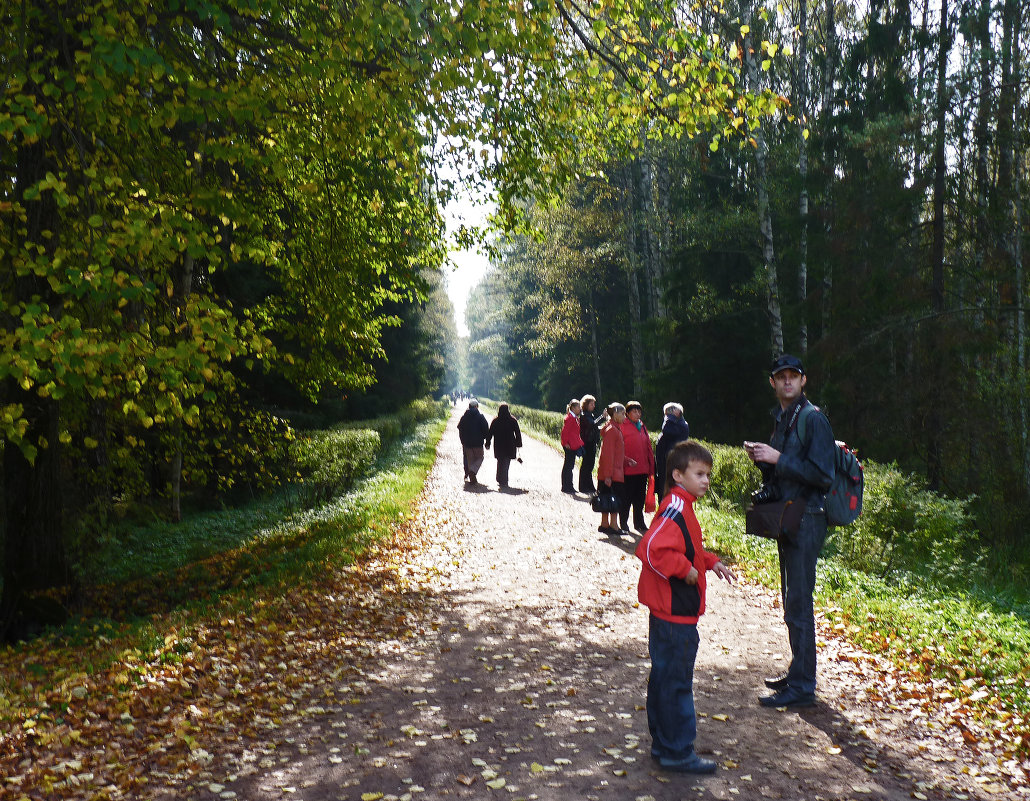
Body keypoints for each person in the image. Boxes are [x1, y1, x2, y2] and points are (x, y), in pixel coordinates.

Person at [635, 440, 736, 773]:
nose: (706, 480)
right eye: (699, 473)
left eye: (708, 474)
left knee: (664, 679)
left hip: (672, 613)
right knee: (676, 682)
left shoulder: (682, 504)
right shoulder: (676, 506)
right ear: (678, 475)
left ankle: (664, 745)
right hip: (674, 615)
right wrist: (687, 570)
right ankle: (678, 751)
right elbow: (651, 550)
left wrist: (709, 562)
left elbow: (685, 548)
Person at [744, 353, 835, 708]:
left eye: (793, 376)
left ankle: (804, 685)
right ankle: (798, 672)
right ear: (773, 383)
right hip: (788, 516)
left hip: (809, 517)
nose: (787, 382)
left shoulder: (813, 420)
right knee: (790, 600)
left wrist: (778, 458)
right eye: (781, 377)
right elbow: (785, 472)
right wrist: (764, 461)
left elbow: (823, 475)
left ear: (803, 381)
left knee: (799, 601)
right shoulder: (783, 419)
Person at [620, 400, 656, 533]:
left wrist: (650, 466)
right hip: (628, 469)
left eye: (639, 411)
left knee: (639, 499)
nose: (637, 413)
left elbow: (648, 448)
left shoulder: (642, 425)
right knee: (627, 497)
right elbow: (619, 447)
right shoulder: (622, 426)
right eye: (634, 411)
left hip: (642, 469)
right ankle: (623, 522)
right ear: (627, 413)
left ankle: (639, 522)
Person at [596, 403, 626, 535]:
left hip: (610, 471)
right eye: (623, 413)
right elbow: (608, 454)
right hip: (612, 473)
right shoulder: (613, 430)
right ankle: (613, 525)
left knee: (606, 497)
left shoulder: (612, 428)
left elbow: (615, 452)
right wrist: (608, 475)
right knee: (614, 498)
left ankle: (605, 524)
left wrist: (626, 459)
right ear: (615, 414)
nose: (625, 416)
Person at [655, 402, 690, 497]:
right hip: (667, 462)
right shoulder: (677, 424)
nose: (666, 416)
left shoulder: (678, 425)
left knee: (667, 487)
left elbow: (666, 430)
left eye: (668, 413)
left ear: (677, 412)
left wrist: (669, 419)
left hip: (670, 462)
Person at [486, 403, 523, 488]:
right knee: (506, 463)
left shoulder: (495, 421)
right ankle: (504, 480)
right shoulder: (512, 420)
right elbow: (517, 432)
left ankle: (499, 478)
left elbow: (490, 433)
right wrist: (518, 443)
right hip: (510, 444)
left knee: (500, 461)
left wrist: (488, 443)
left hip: (498, 444)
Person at [457, 399, 489, 485]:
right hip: (478, 443)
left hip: (467, 444)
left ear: (469, 406)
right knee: (480, 458)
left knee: (470, 460)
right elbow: (486, 430)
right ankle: (472, 472)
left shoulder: (464, 417)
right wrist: (487, 441)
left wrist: (463, 440)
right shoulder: (481, 417)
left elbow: (460, 428)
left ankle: (470, 475)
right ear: (476, 406)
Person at [578, 394, 604, 493]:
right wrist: (602, 416)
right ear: (586, 404)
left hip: (591, 442)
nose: (593, 406)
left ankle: (588, 486)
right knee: (586, 465)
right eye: (592, 404)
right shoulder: (584, 415)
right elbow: (592, 424)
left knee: (590, 465)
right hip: (587, 443)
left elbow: (594, 426)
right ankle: (583, 486)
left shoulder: (590, 415)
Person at [560, 399, 585, 493]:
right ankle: (567, 486)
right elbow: (564, 432)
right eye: (578, 407)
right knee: (568, 466)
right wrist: (565, 443)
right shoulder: (570, 418)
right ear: (573, 408)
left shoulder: (573, 417)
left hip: (572, 445)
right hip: (569, 445)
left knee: (569, 466)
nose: (580, 408)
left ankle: (568, 485)